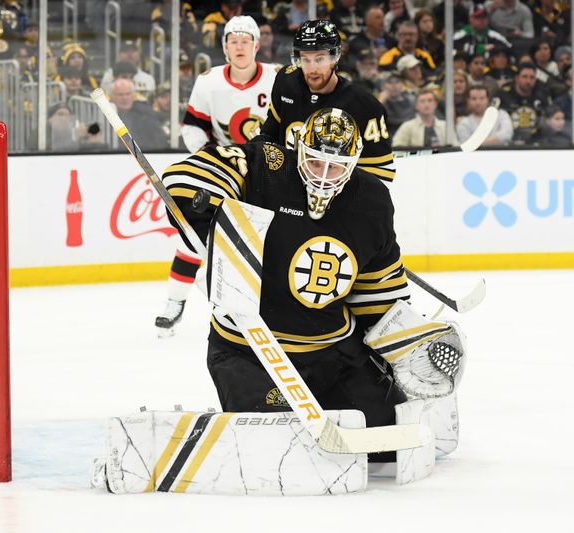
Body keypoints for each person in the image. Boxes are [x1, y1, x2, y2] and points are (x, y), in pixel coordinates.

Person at [161, 107, 411, 451]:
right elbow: (186, 175)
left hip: (334, 354)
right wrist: (204, 208)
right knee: (281, 451)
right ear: (299, 151)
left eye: (335, 166)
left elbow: (378, 295)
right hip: (248, 351)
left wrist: (405, 346)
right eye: (314, 162)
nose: (323, 176)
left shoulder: (372, 200)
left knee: (390, 443)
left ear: (353, 164)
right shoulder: (269, 162)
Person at [154, 15, 278, 337]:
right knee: (196, 235)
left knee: (270, 239)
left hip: (267, 169)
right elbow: (193, 126)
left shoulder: (277, 78)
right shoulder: (209, 81)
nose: (239, 46)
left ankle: (265, 306)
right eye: (233, 41)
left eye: (245, 40)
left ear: (256, 45)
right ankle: (174, 302)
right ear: (224, 47)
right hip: (222, 168)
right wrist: (207, 153)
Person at [258, 20, 395, 183]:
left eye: (320, 59)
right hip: (284, 189)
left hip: (334, 197)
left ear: (335, 57)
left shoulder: (365, 106)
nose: (312, 69)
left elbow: (380, 173)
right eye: (305, 59)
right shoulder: (286, 80)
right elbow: (269, 134)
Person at [493, 62, 549, 145]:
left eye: (532, 77)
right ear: (516, 78)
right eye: (524, 77)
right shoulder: (502, 95)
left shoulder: (541, 97)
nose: (528, 81)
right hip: (506, 143)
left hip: (534, 144)